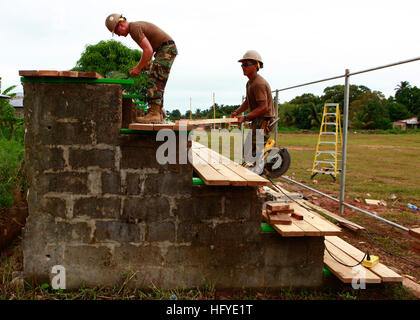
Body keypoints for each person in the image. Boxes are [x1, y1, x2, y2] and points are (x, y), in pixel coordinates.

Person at [105, 13, 177, 123]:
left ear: (120, 24)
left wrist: (137, 68)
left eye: (117, 32)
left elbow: (148, 50)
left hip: (166, 49)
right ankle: (158, 113)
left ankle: (154, 114)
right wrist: (147, 63)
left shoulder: (134, 28)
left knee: (155, 81)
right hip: (164, 49)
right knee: (157, 81)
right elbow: (149, 49)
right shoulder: (135, 27)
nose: (119, 35)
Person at [231, 50, 274, 161]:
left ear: (256, 65)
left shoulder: (258, 83)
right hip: (257, 120)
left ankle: (269, 163)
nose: (243, 67)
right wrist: (237, 112)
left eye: (246, 64)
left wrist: (245, 117)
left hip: (263, 121)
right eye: (242, 65)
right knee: (249, 151)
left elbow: (264, 107)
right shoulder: (250, 83)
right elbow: (247, 102)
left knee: (253, 153)